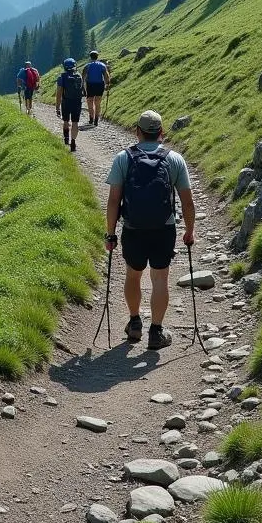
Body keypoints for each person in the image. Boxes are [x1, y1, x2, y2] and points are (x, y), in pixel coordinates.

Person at [104, 110, 195, 350]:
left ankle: (135, 323)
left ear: (138, 132)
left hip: (133, 228)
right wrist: (190, 231)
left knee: (133, 275)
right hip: (163, 229)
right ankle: (156, 332)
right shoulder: (175, 159)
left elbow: (114, 201)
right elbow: (187, 201)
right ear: (161, 133)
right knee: (160, 278)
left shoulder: (123, 158)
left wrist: (110, 233)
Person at [55, 57, 84, 152]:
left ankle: (66, 139)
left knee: (66, 121)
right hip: (77, 102)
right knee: (75, 123)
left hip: (66, 102)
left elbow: (59, 93)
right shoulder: (79, 76)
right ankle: (73, 141)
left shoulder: (62, 77)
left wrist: (57, 107)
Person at [82, 50, 109, 127]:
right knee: (97, 103)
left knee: (90, 102)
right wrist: (107, 84)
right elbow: (106, 76)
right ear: (97, 57)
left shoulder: (87, 66)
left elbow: (83, 77)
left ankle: (91, 118)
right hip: (100, 85)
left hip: (90, 85)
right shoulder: (102, 65)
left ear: (90, 57)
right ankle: (96, 120)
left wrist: (83, 87)